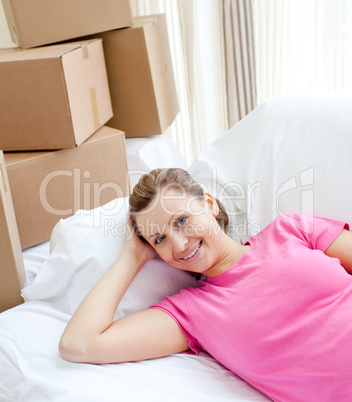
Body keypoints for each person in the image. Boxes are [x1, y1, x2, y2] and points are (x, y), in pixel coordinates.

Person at [59, 168, 352, 401]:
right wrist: (133, 254)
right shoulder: (191, 312)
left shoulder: (290, 229)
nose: (179, 243)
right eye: (159, 239)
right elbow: (79, 344)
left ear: (208, 204)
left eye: (181, 220)